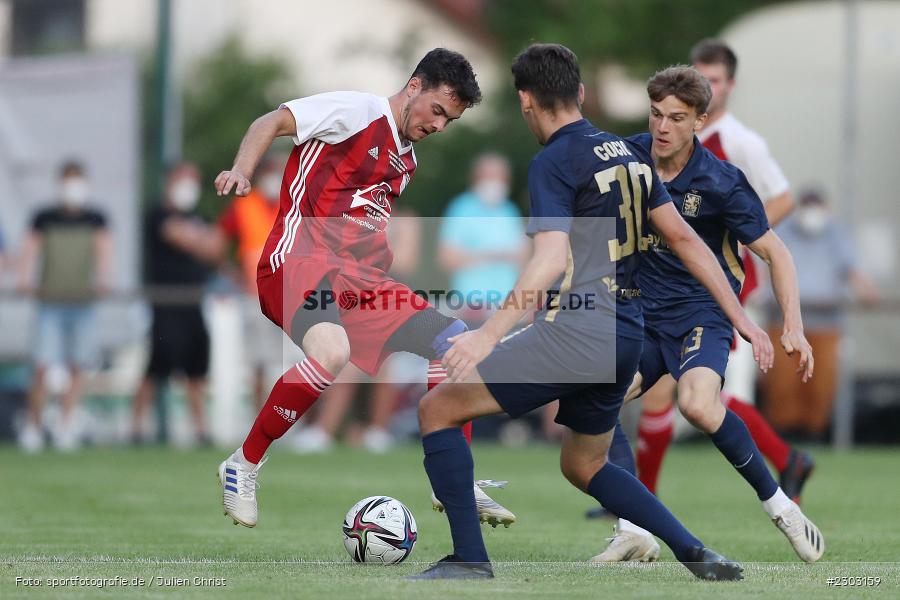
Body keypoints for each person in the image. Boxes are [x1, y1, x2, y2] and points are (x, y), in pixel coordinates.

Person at [409, 44, 769, 581]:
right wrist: (740, 317)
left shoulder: (554, 160)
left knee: (436, 409)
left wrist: (488, 336)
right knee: (584, 465)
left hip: (577, 330)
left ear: (526, 100)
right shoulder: (629, 154)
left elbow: (550, 259)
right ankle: (695, 552)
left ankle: (468, 558)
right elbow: (687, 239)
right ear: (579, 92)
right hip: (627, 334)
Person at [214, 48, 513, 530]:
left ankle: (451, 477)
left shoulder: (407, 160)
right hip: (298, 261)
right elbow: (269, 122)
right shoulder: (357, 111)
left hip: (356, 279)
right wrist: (243, 171)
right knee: (332, 351)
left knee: (455, 340)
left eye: (449, 121)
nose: (439, 125)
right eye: (438, 110)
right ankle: (244, 464)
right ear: (414, 86)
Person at [591, 66, 824, 565]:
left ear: (699, 120)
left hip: (702, 313)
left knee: (697, 405)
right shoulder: (628, 159)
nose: (663, 127)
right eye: (656, 114)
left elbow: (776, 253)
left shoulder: (721, 181)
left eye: (677, 118)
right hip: (640, 315)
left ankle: (781, 508)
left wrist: (794, 328)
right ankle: (633, 529)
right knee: (595, 399)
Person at [762, 189, 880, 438]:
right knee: (781, 384)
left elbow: (852, 269)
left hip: (825, 324)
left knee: (821, 384)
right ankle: (783, 434)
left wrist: (868, 293)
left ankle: (815, 433)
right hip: (783, 323)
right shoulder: (783, 231)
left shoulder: (836, 234)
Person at [17, 160, 111, 452]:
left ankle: (65, 424)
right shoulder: (43, 217)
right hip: (50, 302)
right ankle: (33, 425)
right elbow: (30, 251)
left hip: (81, 302)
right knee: (42, 366)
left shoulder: (96, 218)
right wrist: (25, 277)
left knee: (76, 367)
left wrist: (104, 279)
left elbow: (103, 251)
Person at [130, 163, 216, 445]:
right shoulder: (157, 214)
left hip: (193, 300)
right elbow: (184, 239)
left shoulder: (198, 216)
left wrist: (199, 240)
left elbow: (214, 249)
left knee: (196, 368)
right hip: (165, 300)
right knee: (157, 364)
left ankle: (201, 431)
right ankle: (137, 429)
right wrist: (199, 240)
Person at [215, 154, 294, 412]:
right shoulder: (244, 206)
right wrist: (231, 274)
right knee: (260, 362)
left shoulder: (294, 203)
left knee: (296, 362)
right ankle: (261, 417)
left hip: (293, 295)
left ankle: (294, 420)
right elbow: (217, 245)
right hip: (256, 296)